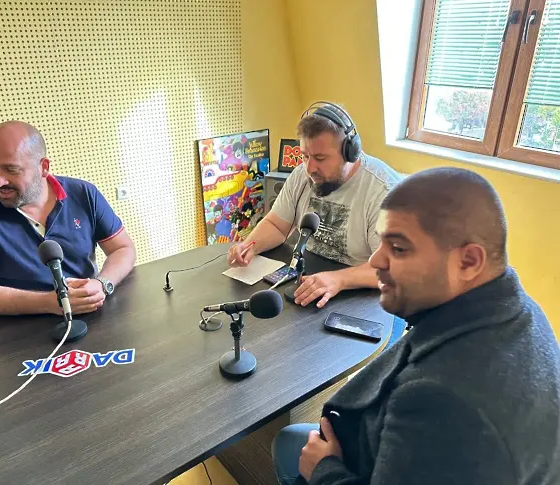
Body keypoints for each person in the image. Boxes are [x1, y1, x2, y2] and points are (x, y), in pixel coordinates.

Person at [272, 167, 560, 485]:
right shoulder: (516, 307)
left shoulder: (445, 404)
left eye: (398, 248)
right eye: (381, 242)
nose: (376, 261)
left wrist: (324, 470)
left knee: (288, 443)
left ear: (468, 262)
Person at [0, 120, 137, 317]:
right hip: (17, 326)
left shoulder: (84, 193)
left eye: (11, 169)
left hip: (89, 312)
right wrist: (50, 302)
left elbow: (123, 248)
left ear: (44, 167)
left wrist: (102, 284)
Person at [227, 101, 401, 308]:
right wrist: (249, 246)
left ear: (350, 152)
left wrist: (339, 279)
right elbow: (277, 225)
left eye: (320, 158)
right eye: (305, 156)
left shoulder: (384, 192)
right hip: (311, 279)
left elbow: (393, 269)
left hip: (363, 293)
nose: (310, 168)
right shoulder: (302, 174)